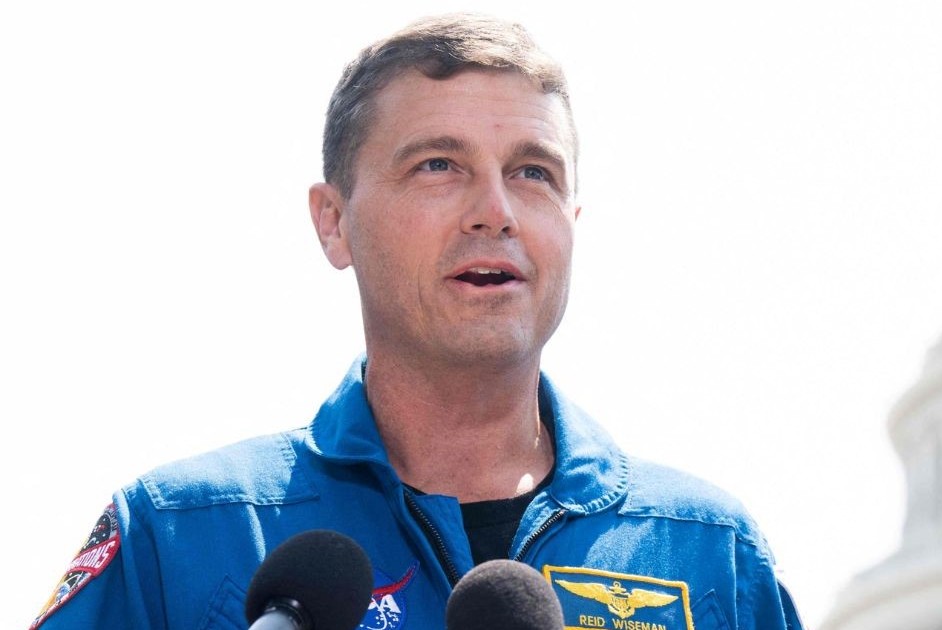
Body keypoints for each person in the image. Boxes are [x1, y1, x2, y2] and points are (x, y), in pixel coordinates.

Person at [31, 13, 803, 630]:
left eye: (533, 172)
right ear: (334, 223)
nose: (495, 211)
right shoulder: (179, 538)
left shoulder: (712, 556)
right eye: (439, 165)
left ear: (572, 222)